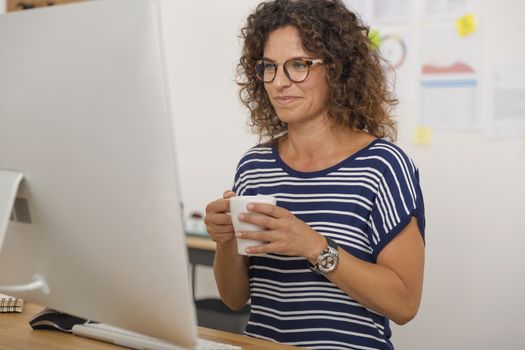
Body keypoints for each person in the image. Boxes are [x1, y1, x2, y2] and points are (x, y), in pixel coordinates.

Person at [204, 0, 425, 349]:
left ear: (337, 69)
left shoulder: (383, 166)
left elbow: (405, 304)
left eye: (298, 65)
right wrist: (225, 241)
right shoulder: (254, 166)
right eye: (269, 67)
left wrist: (313, 245)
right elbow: (234, 298)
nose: (279, 82)